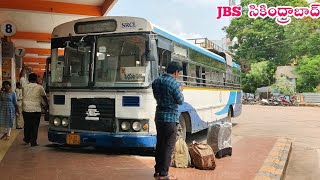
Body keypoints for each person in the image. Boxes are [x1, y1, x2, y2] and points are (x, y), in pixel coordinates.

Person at [152, 61, 184, 180]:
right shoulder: (174, 83)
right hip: (170, 118)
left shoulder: (156, 81)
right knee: (168, 146)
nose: (178, 75)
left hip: (159, 117)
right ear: (176, 72)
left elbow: (156, 97)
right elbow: (180, 101)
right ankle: (164, 174)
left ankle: (157, 170)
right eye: (179, 73)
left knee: (160, 144)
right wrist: (180, 90)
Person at [20, 66, 48, 147]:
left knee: (27, 125)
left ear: (28, 79)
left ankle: (27, 139)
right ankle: (33, 142)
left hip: (26, 109)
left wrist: (24, 69)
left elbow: (21, 76)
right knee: (35, 126)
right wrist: (47, 106)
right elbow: (44, 97)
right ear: (36, 79)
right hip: (36, 110)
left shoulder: (24, 85)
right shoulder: (39, 87)